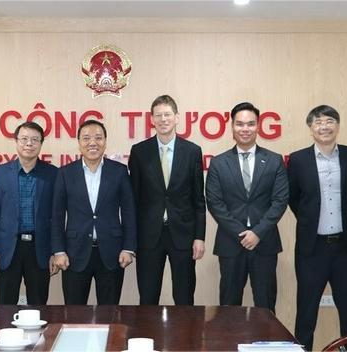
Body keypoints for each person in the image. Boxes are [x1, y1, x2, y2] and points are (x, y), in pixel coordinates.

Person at [288, 105, 347, 351]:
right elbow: (294, 198)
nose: (324, 126)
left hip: (344, 246)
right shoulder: (298, 159)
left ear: (337, 126)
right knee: (306, 311)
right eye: (318, 122)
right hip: (312, 247)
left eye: (330, 121)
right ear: (311, 128)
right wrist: (310, 220)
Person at [205, 102, 288, 313]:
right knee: (229, 308)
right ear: (232, 127)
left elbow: (280, 201)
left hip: (265, 243)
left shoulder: (274, 161)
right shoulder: (218, 163)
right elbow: (215, 203)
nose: (245, 129)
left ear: (258, 126)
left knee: (266, 306)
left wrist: (257, 233)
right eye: (240, 124)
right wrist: (242, 234)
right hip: (231, 244)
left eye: (250, 124)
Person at [128, 94, 206, 305]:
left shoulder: (192, 152)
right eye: (158, 115)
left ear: (177, 118)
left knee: (184, 297)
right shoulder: (139, 152)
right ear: (151, 119)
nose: (163, 119)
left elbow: (199, 199)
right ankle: (147, 338)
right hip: (148, 236)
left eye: (167, 114)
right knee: (148, 297)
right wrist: (131, 239)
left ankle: (186, 339)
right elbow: (133, 201)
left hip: (183, 235)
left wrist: (199, 237)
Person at [52, 120, 137, 304]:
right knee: (74, 315)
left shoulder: (120, 172)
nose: (93, 143)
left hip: (112, 253)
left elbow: (129, 212)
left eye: (98, 138)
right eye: (86, 138)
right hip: (74, 253)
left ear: (105, 142)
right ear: (79, 143)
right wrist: (58, 250)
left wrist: (128, 248)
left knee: (110, 314)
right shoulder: (65, 173)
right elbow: (57, 216)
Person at [0, 122, 59, 304]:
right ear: (16, 141)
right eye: (24, 139)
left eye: (34, 140)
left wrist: (55, 251)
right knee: (4, 307)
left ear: (41, 143)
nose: (29, 144)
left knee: (39, 306)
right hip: (7, 250)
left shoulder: (53, 174)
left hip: (39, 249)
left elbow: (57, 217)